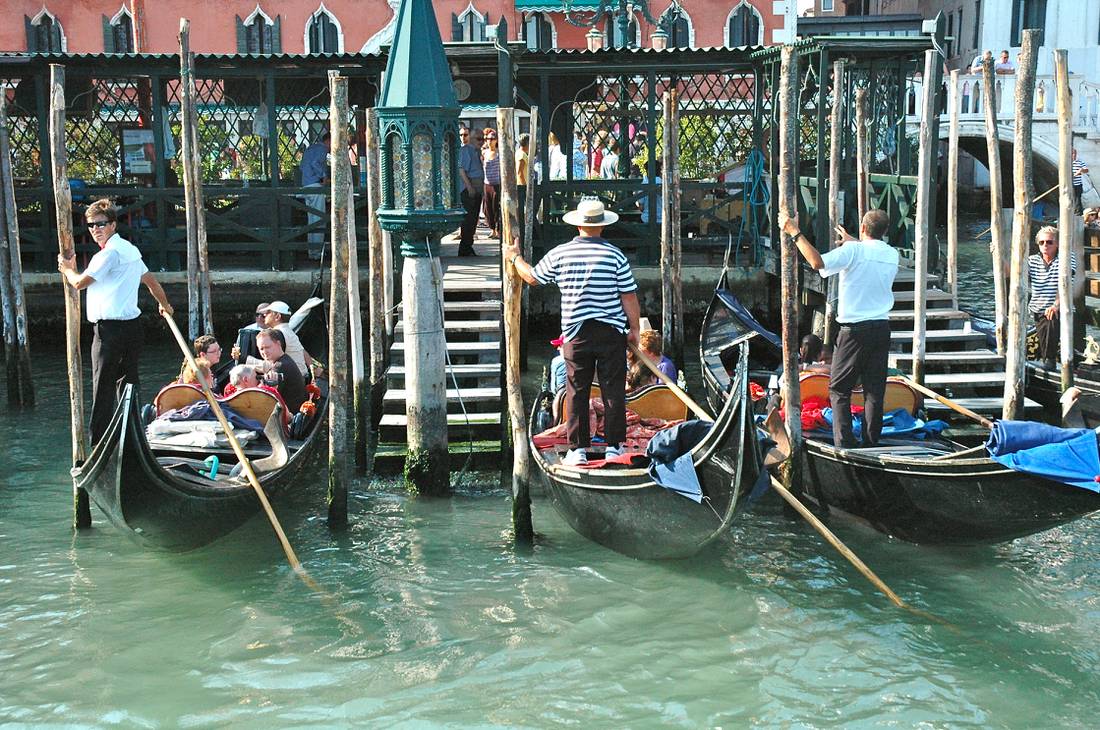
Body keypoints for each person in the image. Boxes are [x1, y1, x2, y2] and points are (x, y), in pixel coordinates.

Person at [505, 198, 640, 466]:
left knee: (577, 390)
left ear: (578, 226)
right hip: (611, 330)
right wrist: (634, 328)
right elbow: (628, 296)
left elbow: (533, 277)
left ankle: (577, 450)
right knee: (613, 390)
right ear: (602, 227)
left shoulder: (561, 253)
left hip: (576, 334)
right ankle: (614, 447)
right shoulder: (615, 255)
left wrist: (514, 257)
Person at [57, 198, 173, 443]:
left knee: (103, 387)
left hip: (109, 331)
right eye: (91, 225)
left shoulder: (108, 255)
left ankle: (98, 442)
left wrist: (66, 268)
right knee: (128, 385)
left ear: (113, 225)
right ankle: (130, 436)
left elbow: (78, 284)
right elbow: (152, 282)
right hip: (132, 330)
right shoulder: (130, 250)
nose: (95, 229)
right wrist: (165, 306)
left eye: (101, 224)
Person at [781, 209, 899, 449]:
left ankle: (844, 445)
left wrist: (795, 232)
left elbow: (816, 262)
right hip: (882, 329)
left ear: (863, 229)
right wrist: (854, 241)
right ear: (884, 232)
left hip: (854, 332)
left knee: (838, 389)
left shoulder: (853, 252)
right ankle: (871, 443)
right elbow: (869, 249)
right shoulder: (891, 254)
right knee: (874, 390)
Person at [1029, 226, 1077, 370]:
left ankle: (1049, 360)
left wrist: (1056, 304)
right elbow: (1010, 273)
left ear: (1057, 244)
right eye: (1042, 242)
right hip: (1038, 308)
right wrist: (998, 255)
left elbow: (1066, 283)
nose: (1045, 245)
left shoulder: (1067, 258)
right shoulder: (1032, 261)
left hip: (1060, 307)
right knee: (1046, 318)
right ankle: (1047, 358)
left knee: (1052, 315)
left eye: (1049, 242)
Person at [233, 301, 316, 380]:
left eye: (268, 312)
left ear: (277, 316)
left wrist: (243, 358)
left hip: (288, 381)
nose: (265, 314)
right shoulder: (289, 332)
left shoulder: (277, 334)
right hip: (299, 379)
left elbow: (271, 366)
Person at [255, 328, 307, 412]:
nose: (264, 352)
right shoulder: (285, 360)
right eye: (261, 349)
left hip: (289, 418)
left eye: (267, 347)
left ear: (278, 344)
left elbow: (263, 401)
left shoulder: (280, 366)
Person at [300, 132, 331, 260]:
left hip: (306, 185)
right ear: (329, 140)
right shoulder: (322, 149)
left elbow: (303, 166)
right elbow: (315, 164)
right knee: (319, 220)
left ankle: (312, 251)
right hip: (315, 186)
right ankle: (317, 253)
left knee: (311, 220)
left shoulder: (311, 148)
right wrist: (324, 176)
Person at [457, 125, 484, 256]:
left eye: (482, 139)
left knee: (473, 219)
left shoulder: (476, 151)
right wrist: (470, 187)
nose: (482, 141)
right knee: (468, 220)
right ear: (472, 139)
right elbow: (461, 170)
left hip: (476, 190)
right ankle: (465, 247)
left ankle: (468, 246)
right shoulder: (466, 150)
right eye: (479, 139)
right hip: (469, 191)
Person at [482, 128, 502, 239]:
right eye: (488, 138)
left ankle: (498, 230)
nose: (490, 141)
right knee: (487, 208)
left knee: (496, 208)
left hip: (497, 184)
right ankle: (492, 229)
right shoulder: (484, 153)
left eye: (492, 139)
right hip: (487, 184)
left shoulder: (500, 153)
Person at [638, 160, 663, 225]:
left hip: (647, 219)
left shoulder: (644, 184)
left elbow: (641, 208)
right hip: (663, 219)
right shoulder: (663, 183)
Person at [1073, 149, 1089, 215]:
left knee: (1078, 198)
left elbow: (1086, 170)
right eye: (1072, 154)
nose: (1073, 155)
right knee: (1070, 198)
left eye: (1074, 154)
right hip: (1069, 185)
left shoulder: (1080, 162)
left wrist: (1081, 170)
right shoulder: (1066, 162)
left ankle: (1078, 213)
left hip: (1078, 184)